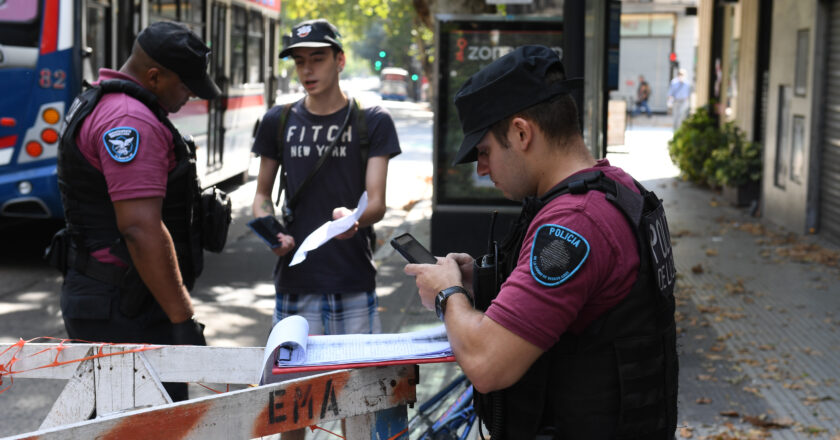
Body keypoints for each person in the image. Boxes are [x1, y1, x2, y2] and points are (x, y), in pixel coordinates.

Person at [403, 45, 678, 439]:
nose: (481, 169)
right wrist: (476, 282)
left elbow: (487, 363)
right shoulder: (618, 187)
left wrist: (448, 295)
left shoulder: (575, 224)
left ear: (521, 132)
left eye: (484, 152)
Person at [51, 21, 219, 402]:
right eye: (186, 84)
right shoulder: (130, 121)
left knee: (115, 422)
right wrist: (183, 319)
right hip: (125, 307)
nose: (191, 93)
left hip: (107, 297)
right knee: (152, 423)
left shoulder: (102, 101)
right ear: (155, 76)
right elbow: (140, 229)